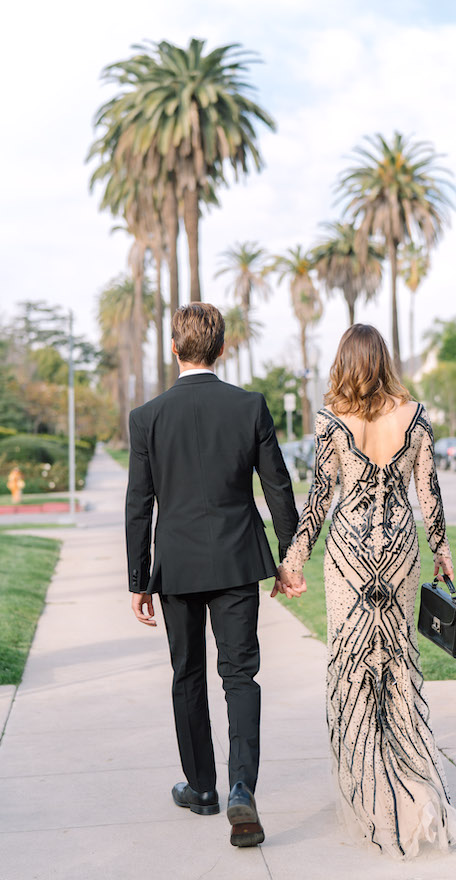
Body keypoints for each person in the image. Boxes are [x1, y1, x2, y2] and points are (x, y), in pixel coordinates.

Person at [275, 324, 456, 860]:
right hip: (402, 550)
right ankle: (415, 795)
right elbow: (428, 496)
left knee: (353, 669)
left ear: (345, 360)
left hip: (349, 556)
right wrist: (443, 555)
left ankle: (374, 804)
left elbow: (317, 500)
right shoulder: (415, 416)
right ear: (383, 360)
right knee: (398, 664)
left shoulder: (332, 421)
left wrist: (291, 563)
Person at [125, 303, 300, 849]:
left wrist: (138, 579)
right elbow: (278, 487)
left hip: (176, 565)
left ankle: (202, 789)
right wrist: (288, 553)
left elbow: (139, 504)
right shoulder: (249, 406)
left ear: (174, 350)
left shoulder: (147, 417)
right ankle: (240, 788)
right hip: (236, 562)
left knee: (187, 675)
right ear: (221, 349)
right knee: (240, 676)